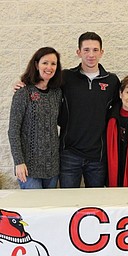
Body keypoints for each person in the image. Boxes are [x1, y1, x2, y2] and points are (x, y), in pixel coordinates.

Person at [58, 32, 121, 188]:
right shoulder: (65, 77)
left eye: (95, 50)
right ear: (78, 52)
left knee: (96, 204)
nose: (91, 54)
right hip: (69, 154)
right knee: (69, 204)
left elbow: (124, 108)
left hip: (98, 156)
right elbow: (42, 86)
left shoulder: (112, 81)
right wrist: (24, 83)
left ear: (102, 52)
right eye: (86, 50)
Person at [8, 47, 62, 189]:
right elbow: (13, 130)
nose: (49, 67)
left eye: (53, 64)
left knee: (50, 209)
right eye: (45, 63)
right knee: (34, 210)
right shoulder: (23, 92)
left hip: (52, 167)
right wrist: (19, 162)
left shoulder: (57, 93)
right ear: (37, 64)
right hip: (28, 168)